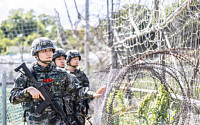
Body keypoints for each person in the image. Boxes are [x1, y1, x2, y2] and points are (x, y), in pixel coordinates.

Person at [9, 37, 105, 125]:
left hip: (58, 121)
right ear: (35, 54)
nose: (48, 53)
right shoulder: (27, 74)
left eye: (50, 50)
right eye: (44, 51)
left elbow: (76, 91)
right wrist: (28, 91)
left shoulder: (62, 73)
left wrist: (92, 94)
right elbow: (13, 98)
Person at [66, 50, 92, 125]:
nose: (77, 61)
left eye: (78, 59)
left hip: (79, 107)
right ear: (68, 60)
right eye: (74, 59)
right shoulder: (63, 74)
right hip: (66, 107)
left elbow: (86, 90)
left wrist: (85, 105)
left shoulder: (82, 75)